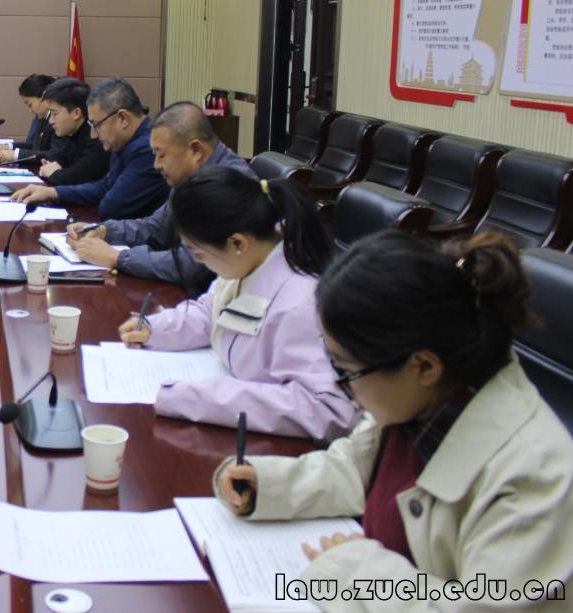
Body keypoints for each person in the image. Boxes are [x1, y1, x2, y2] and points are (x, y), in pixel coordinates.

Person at [215, 231, 573, 612]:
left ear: (424, 366)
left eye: (347, 371)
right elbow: (356, 468)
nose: (339, 385)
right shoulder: (424, 398)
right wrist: (268, 485)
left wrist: (355, 572)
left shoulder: (533, 477)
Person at [116, 166, 356, 441]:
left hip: (279, 448)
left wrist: (199, 398)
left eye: (199, 254)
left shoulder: (299, 303)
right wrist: (156, 328)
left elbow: (325, 410)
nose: (198, 261)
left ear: (238, 243)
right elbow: (211, 312)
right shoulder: (249, 261)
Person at [66, 101, 254, 291]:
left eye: (161, 155)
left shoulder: (230, 184)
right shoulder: (190, 175)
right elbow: (156, 227)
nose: (156, 165)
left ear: (195, 150)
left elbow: (190, 265)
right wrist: (105, 230)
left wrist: (117, 258)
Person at [11, 77, 167, 220]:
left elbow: (111, 207)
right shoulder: (123, 142)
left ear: (123, 119)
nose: (93, 134)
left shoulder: (147, 149)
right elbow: (104, 187)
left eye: (96, 124)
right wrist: (53, 193)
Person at [34, 77, 108, 186]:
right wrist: (51, 168)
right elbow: (56, 159)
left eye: (55, 114)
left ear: (76, 113)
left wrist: (54, 173)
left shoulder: (95, 138)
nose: (50, 121)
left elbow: (76, 177)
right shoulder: (70, 131)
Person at [0, 74, 55, 163]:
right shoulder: (42, 119)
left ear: (44, 97)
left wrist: (15, 155)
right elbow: (35, 146)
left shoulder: (56, 121)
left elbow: (54, 155)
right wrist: (9, 147)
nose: (30, 111)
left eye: (30, 104)